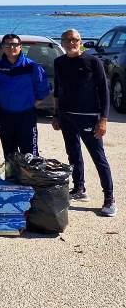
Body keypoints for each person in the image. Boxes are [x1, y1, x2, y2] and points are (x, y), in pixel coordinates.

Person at [53, 29, 116, 216]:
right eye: (68, 40)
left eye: (75, 40)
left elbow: (104, 92)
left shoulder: (93, 61)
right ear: (62, 43)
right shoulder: (59, 62)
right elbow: (57, 89)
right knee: (73, 153)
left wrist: (103, 120)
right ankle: (79, 188)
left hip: (89, 116)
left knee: (98, 157)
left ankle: (110, 198)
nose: (72, 43)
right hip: (67, 116)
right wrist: (56, 115)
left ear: (80, 41)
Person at [0, 33, 49, 157]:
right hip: (4, 115)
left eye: (15, 44)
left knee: (30, 154)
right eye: (8, 44)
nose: (11, 47)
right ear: (3, 47)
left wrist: (33, 103)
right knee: (9, 153)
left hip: (26, 116)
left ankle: (29, 177)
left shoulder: (31, 66)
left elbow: (43, 88)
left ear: (20, 46)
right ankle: (12, 177)